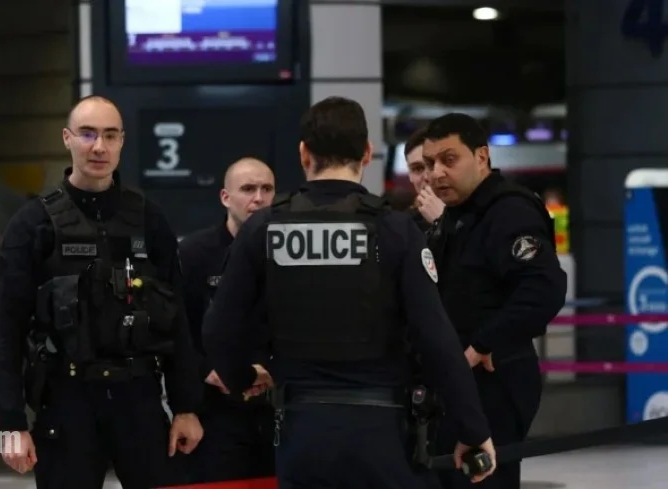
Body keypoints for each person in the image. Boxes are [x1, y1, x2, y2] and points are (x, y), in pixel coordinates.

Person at [201, 96, 497, 489]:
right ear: (368, 153)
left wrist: (242, 380)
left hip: (301, 429)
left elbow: (218, 329)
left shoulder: (265, 229)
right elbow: (436, 338)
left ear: (304, 154)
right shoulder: (394, 230)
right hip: (383, 431)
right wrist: (473, 428)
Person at [0, 95, 204, 489]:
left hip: (138, 398)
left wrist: (186, 407)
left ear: (122, 141)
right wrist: (11, 422)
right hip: (67, 400)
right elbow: (7, 329)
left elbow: (177, 322)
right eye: (88, 134)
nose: (99, 147)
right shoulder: (33, 224)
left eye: (109, 135)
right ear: (67, 139)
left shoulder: (148, 219)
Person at [420, 113, 567, 489]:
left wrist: (484, 343)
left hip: (494, 382)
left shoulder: (509, 210)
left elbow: (543, 289)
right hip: (458, 382)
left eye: (449, 160)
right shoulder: (455, 216)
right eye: (429, 163)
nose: (436, 173)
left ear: (481, 157)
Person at [179, 157, 277, 483]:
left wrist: (271, 370)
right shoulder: (194, 254)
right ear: (225, 197)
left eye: (267, 189)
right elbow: (177, 331)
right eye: (248, 189)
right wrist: (207, 370)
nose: (258, 198)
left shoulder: (288, 252)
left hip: (275, 408)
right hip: (215, 410)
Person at [404, 127, 445, 232]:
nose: (427, 177)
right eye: (418, 168)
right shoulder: (400, 226)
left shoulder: (477, 218)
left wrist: (441, 220)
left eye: (433, 165)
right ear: (410, 176)